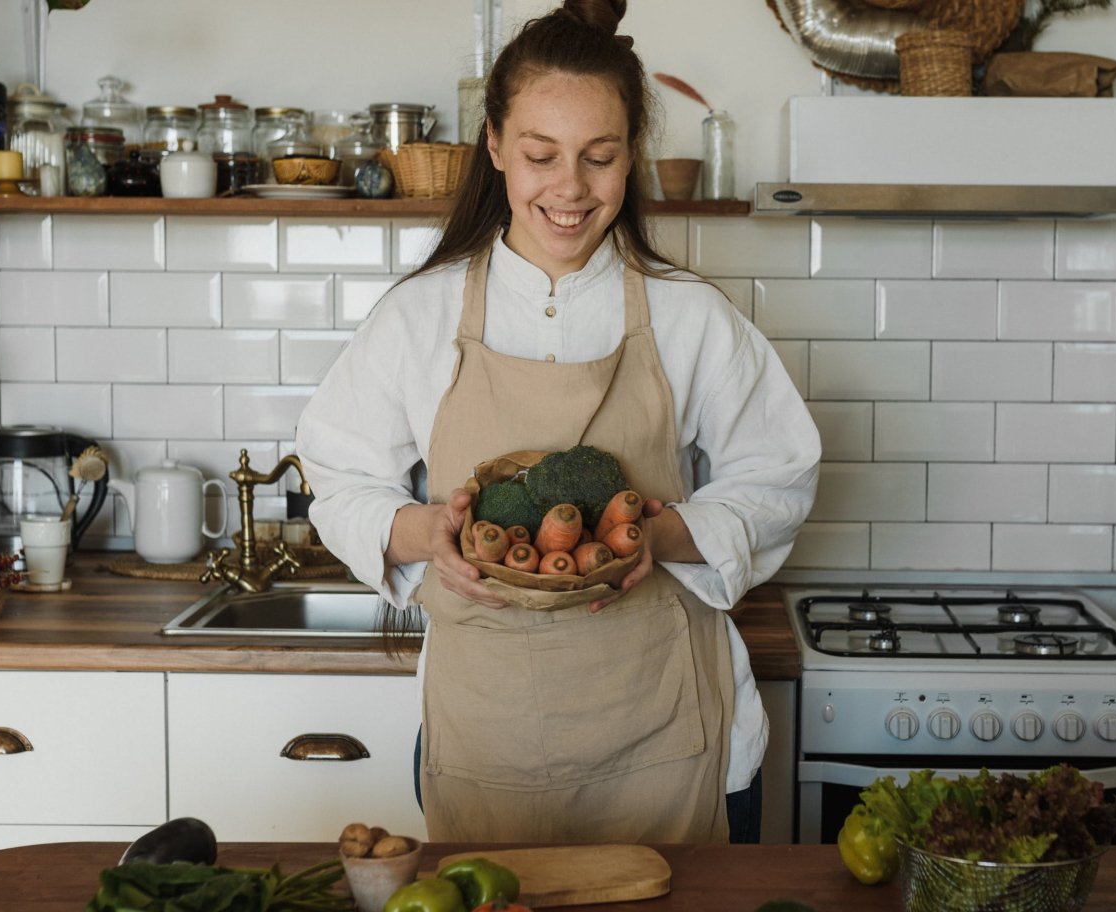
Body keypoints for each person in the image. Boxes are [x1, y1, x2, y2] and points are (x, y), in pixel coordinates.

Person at [295, 0, 819, 844]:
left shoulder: (691, 317)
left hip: (665, 726)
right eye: (541, 155)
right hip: (485, 728)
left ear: (631, 157)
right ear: (495, 147)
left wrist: (666, 536)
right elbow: (337, 477)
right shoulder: (419, 317)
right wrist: (427, 533)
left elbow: (780, 475)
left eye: (599, 157)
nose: (570, 188)